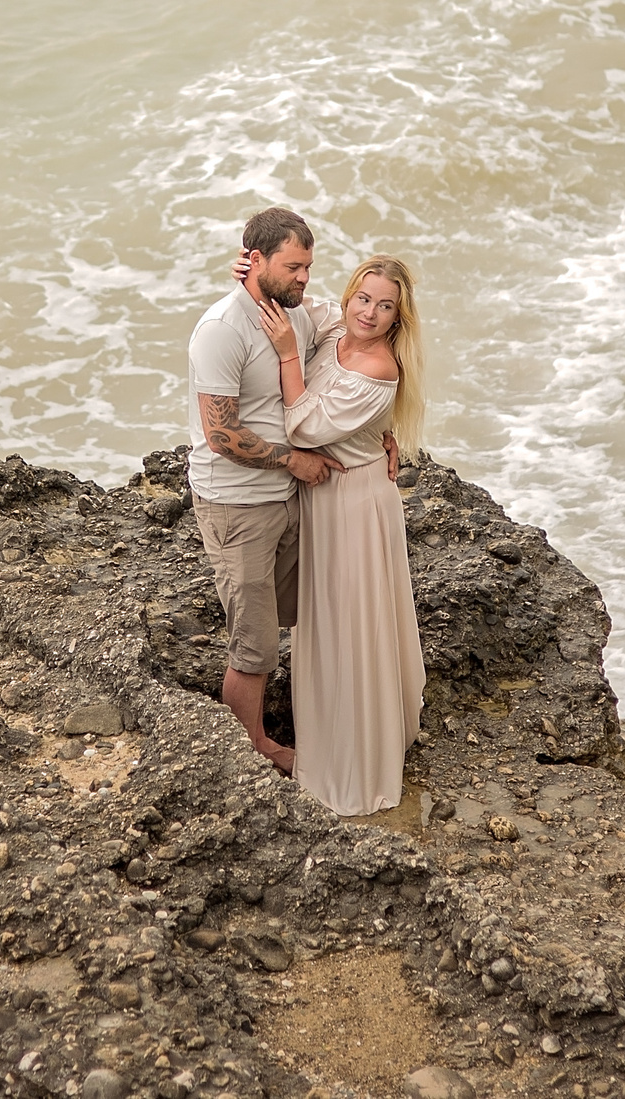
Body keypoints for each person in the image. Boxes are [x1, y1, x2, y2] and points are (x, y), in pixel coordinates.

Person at [249, 254, 427, 817]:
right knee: (325, 623)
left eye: (385, 306)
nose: (369, 313)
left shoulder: (379, 369)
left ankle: (357, 753)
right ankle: (332, 728)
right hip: (322, 501)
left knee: (353, 625)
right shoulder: (335, 329)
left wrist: (284, 357)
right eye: (363, 298)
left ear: (399, 319)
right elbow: (297, 301)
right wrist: (251, 272)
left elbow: (303, 425)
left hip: (355, 506)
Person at [187, 206, 343, 774]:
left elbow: (366, 325)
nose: (304, 277)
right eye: (294, 267)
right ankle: (250, 749)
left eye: (308, 267)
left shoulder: (294, 314)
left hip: (285, 497)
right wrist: (293, 461)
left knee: (302, 616)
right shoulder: (222, 330)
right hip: (237, 502)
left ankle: (313, 720)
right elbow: (221, 432)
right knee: (253, 643)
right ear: (255, 260)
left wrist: (387, 429)